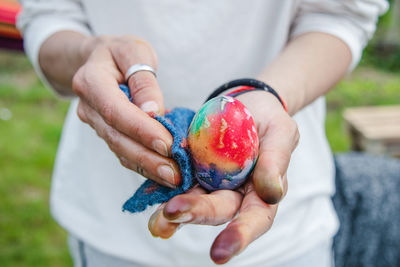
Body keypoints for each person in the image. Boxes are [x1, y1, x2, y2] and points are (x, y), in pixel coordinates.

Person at [17, 1, 387, 266]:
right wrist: (88, 53)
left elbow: (340, 15)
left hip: (285, 235)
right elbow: (48, 16)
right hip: (110, 228)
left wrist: (268, 93)